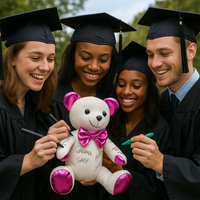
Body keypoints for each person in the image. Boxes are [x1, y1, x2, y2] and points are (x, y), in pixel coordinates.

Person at [49, 13, 136, 200]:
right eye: (86, 57)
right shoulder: (50, 96)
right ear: (73, 54)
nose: (94, 66)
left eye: (103, 60)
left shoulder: (113, 99)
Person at [130, 7, 200, 200]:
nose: (154, 63)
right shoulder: (158, 104)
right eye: (150, 55)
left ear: (190, 51)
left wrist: (162, 163)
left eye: (164, 53)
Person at [0, 7, 70, 200]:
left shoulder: (45, 109)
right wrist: (28, 160)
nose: (45, 67)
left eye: (50, 59)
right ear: (13, 58)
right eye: (35, 58)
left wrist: (52, 145)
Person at [102, 41, 172, 200]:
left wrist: (119, 170)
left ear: (149, 90)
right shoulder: (106, 124)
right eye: (121, 84)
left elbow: (162, 188)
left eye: (136, 86)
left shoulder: (161, 130)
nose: (126, 92)